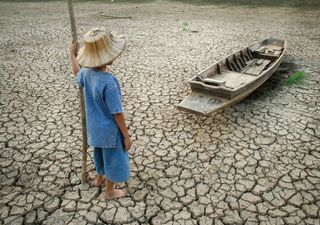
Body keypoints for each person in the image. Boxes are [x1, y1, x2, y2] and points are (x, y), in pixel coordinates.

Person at [69, 27, 131, 199]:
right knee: (113, 158)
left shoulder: (87, 73)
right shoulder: (109, 82)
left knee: (99, 153)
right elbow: (117, 113)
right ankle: (109, 191)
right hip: (109, 131)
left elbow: (77, 74)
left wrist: (72, 56)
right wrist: (126, 136)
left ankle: (99, 178)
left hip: (94, 128)